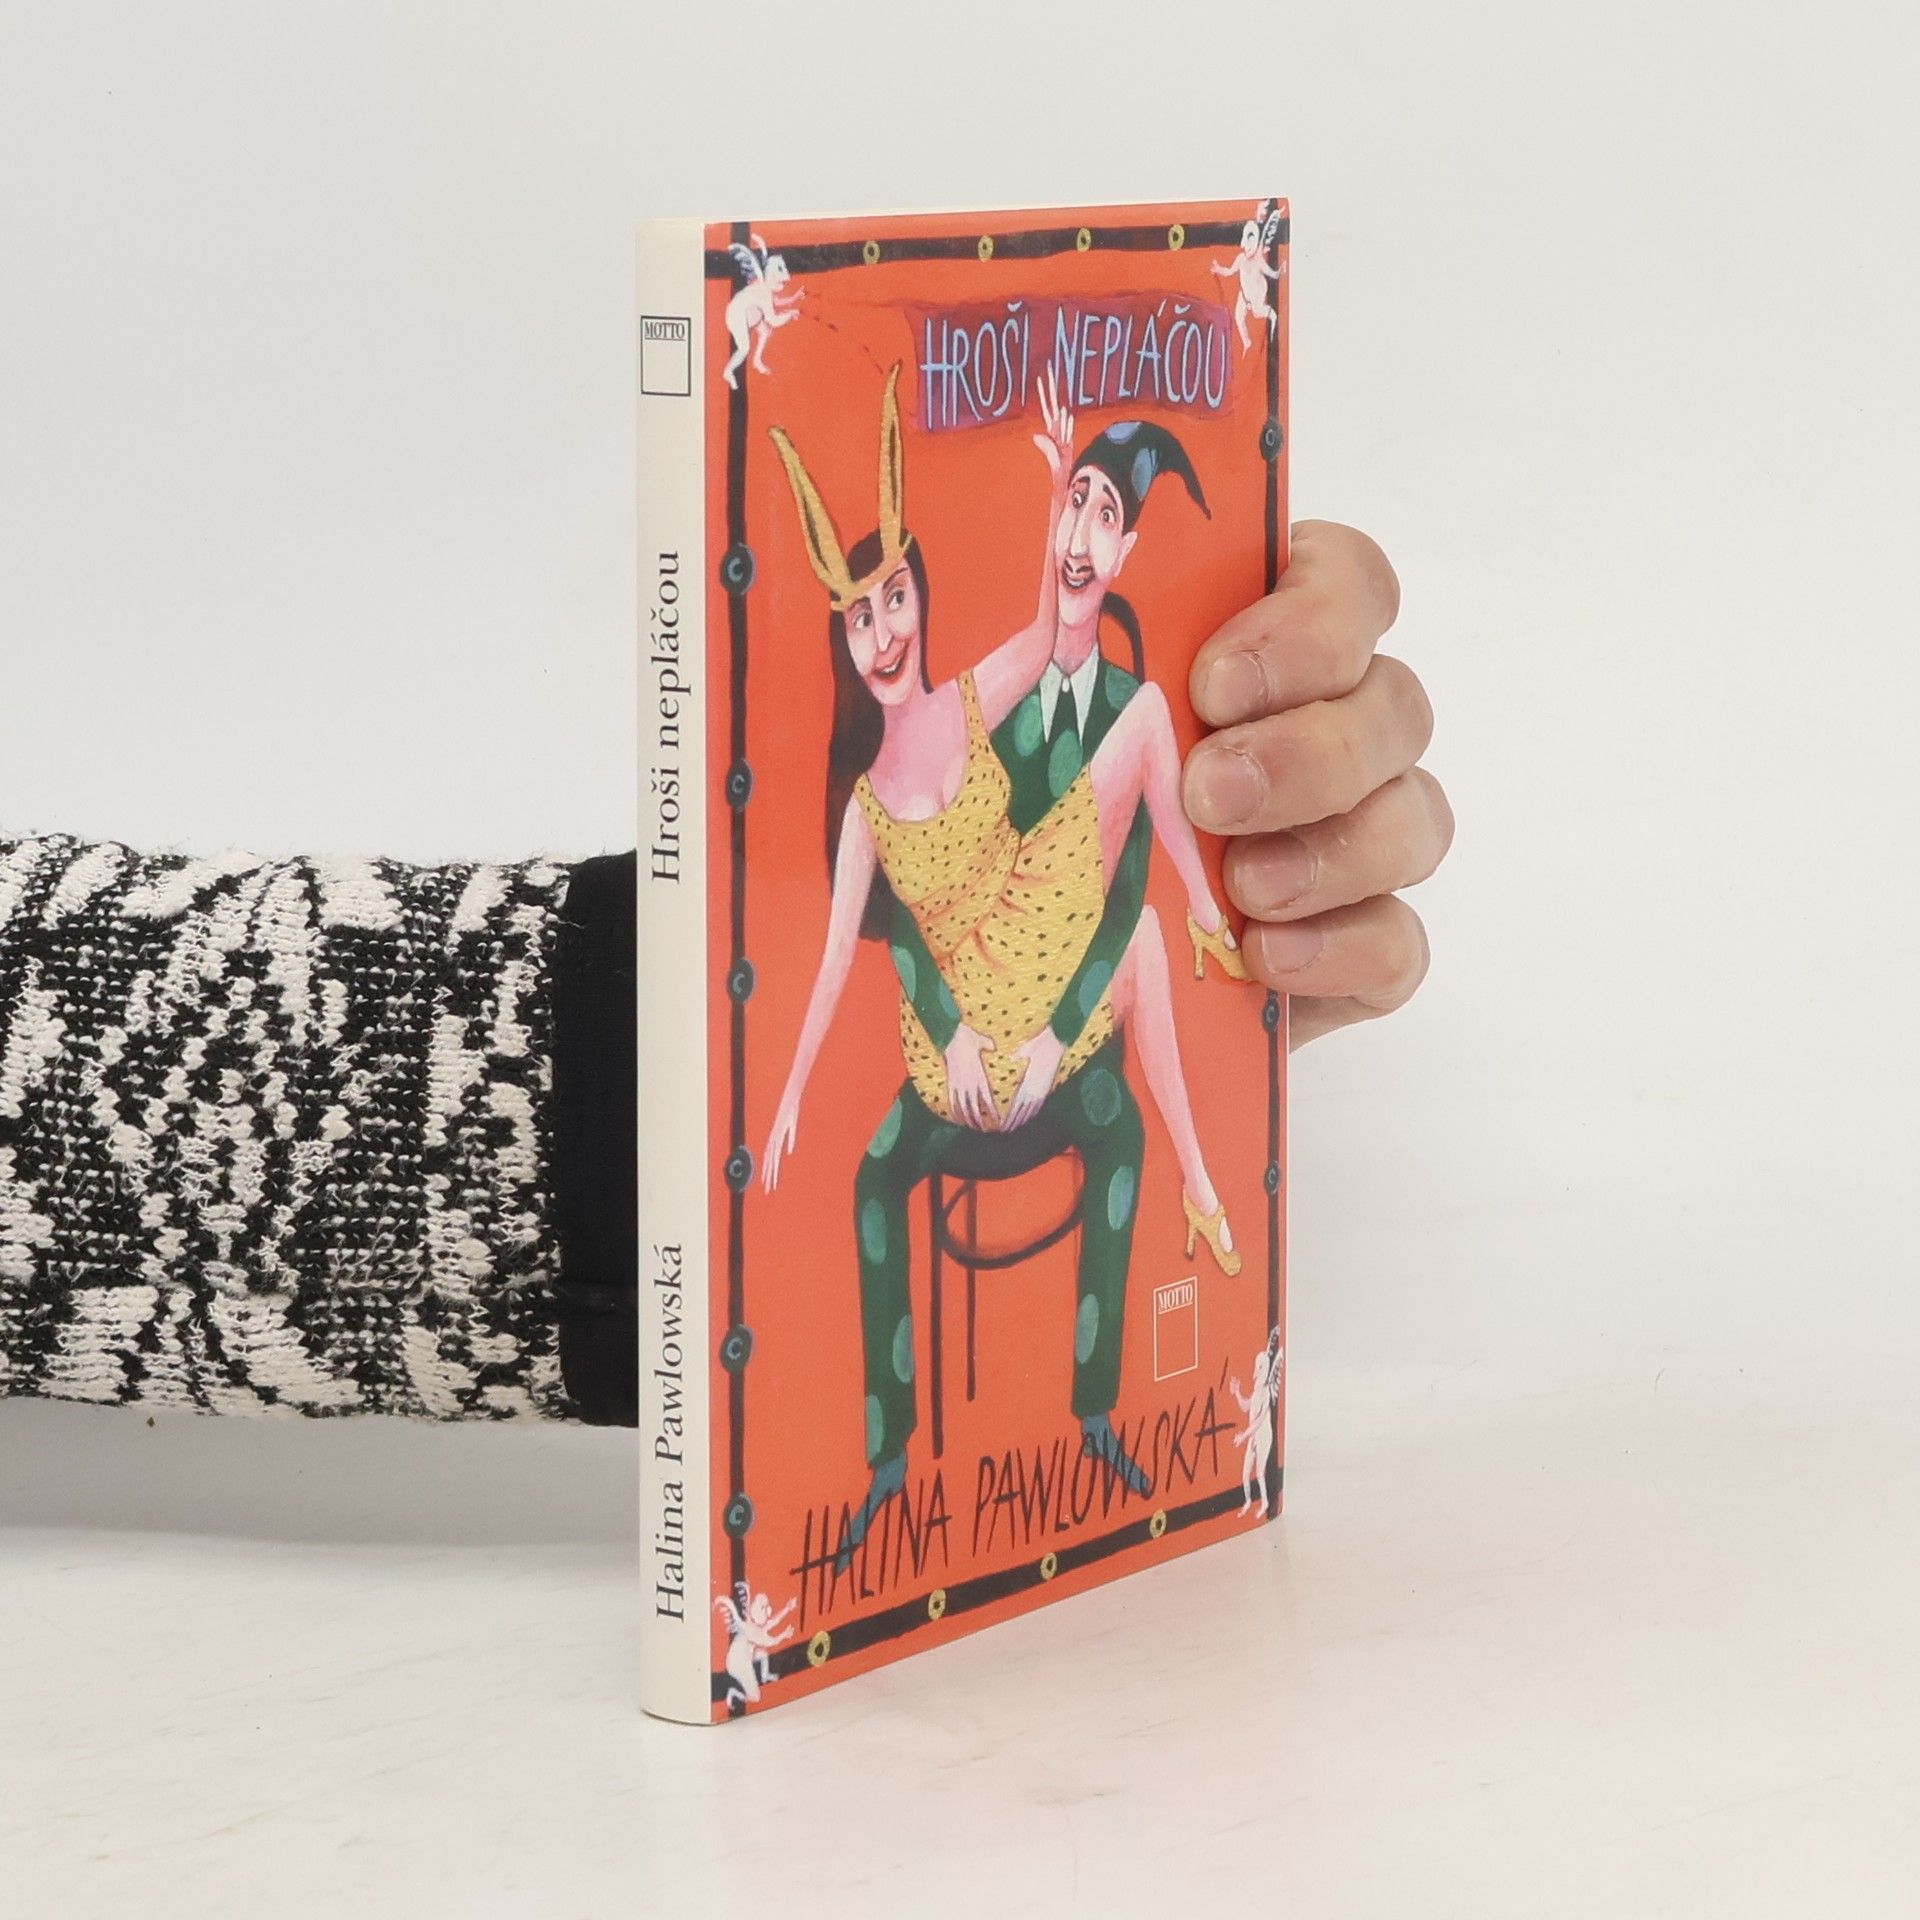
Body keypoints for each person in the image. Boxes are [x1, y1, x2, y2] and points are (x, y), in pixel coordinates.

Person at [0, 526, 1449, 1427]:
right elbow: (826, 972)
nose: (887, 630)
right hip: (945, 1021)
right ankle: (921, 1400)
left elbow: (1051, 635)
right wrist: (775, 1091)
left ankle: (1198, 1048)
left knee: (1138, 764)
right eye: (862, 615)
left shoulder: (969, 702)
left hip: (1029, 950)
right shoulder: (867, 811)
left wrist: (1162, 584)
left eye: (898, 600)